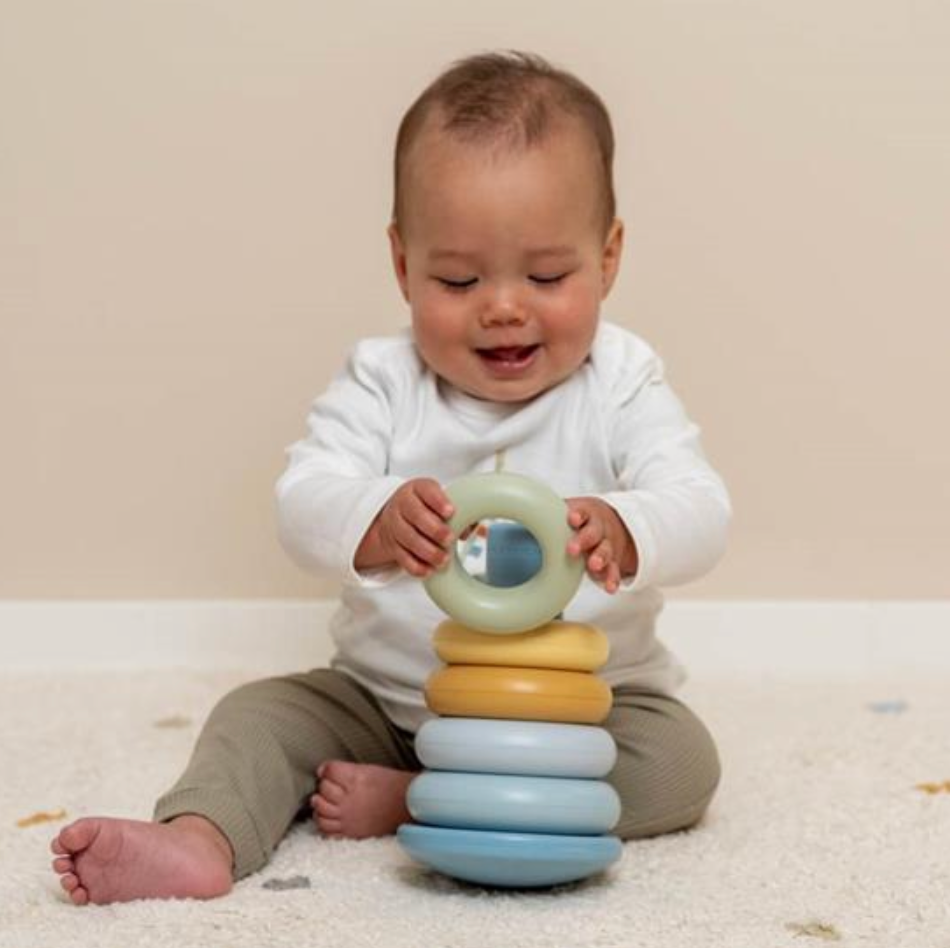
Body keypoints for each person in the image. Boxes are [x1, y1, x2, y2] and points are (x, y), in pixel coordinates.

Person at [50, 49, 730, 906]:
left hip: (576, 721)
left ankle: (417, 802)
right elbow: (302, 504)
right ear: (404, 266)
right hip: (388, 709)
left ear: (610, 257)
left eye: (549, 275)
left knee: (683, 763)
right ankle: (201, 836)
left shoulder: (623, 382)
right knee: (258, 716)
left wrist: (630, 526)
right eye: (458, 278)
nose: (505, 305)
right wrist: (374, 516)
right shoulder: (382, 380)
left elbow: (702, 508)